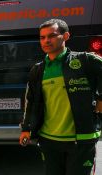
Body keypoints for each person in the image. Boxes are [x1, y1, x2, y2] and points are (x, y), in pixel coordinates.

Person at [19, 18, 102, 175]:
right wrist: (26, 128)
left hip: (82, 140)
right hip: (48, 140)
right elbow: (30, 102)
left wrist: (100, 98)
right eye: (42, 37)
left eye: (52, 36)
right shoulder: (37, 70)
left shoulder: (85, 60)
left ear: (66, 36)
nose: (46, 41)